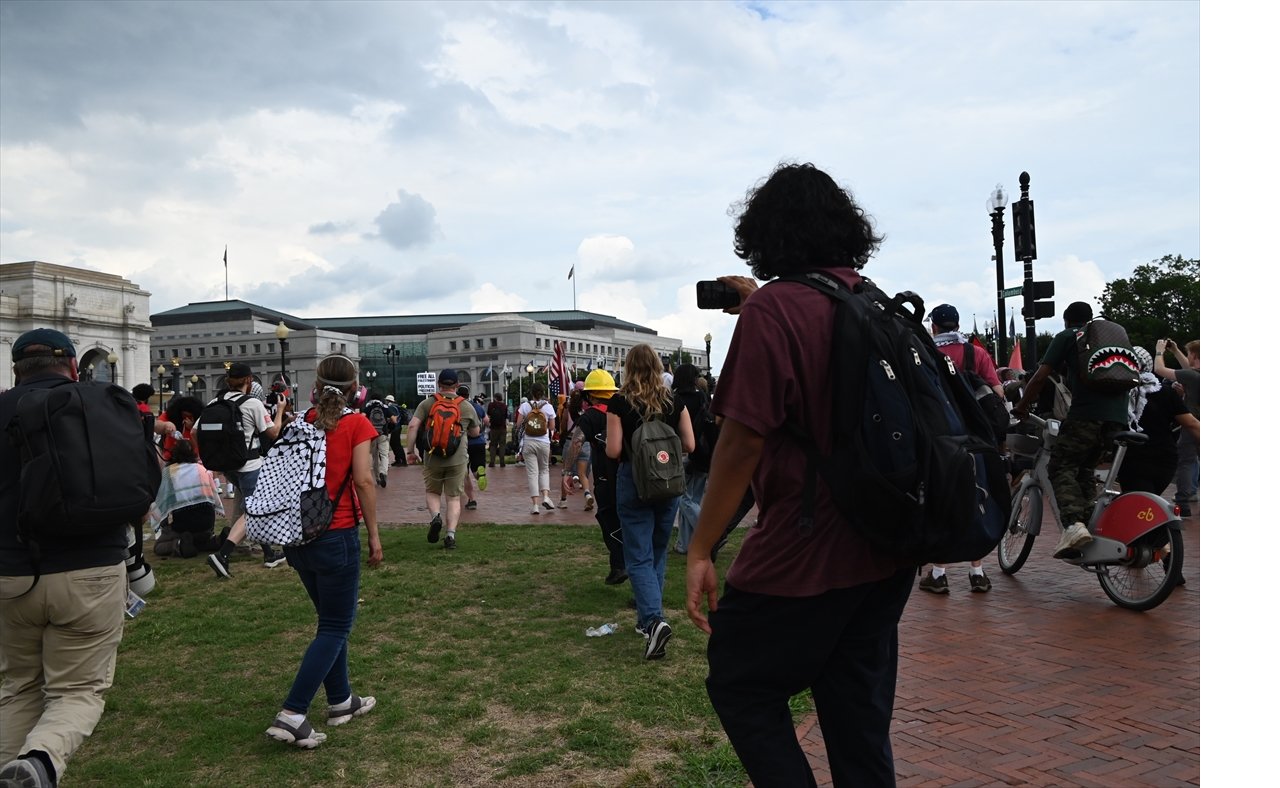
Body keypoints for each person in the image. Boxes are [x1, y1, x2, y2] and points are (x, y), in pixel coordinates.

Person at [684, 163, 915, 786]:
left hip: (806, 549)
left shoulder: (778, 311)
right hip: (886, 546)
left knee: (740, 681)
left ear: (765, 235)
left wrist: (702, 546)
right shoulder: (870, 299)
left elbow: (740, 443)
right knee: (857, 717)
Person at [0, 330, 130, 787]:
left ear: (16, 370)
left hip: (10, 571)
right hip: (92, 565)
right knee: (77, 690)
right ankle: (40, 761)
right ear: (75, 367)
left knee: (17, 688)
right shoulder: (102, 405)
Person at [265, 354, 383, 748]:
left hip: (298, 535)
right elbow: (364, 480)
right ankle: (293, 712)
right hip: (337, 533)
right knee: (335, 626)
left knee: (330, 622)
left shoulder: (301, 422)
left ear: (315, 384)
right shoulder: (356, 423)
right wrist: (375, 535)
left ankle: (341, 700)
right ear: (356, 387)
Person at [1012, 301, 1129, 559]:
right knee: (1084, 469)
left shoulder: (1068, 336)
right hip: (1119, 419)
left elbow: (1041, 376)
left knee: (1060, 466)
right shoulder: (1110, 339)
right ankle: (1092, 525)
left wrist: (1021, 406)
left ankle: (1074, 526)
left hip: (1086, 415)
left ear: (1066, 320)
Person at [606, 343, 694, 660]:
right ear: (658, 367)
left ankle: (654, 621)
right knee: (657, 551)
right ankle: (648, 621)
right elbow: (690, 444)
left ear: (629, 368)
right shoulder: (674, 401)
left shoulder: (620, 403)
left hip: (634, 482)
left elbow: (614, 451)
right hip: (668, 482)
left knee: (637, 556)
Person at [917, 304, 1002, 594]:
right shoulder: (974, 352)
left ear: (935, 327)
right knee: (977, 497)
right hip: (976, 438)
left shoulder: (926, 352)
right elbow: (997, 391)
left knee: (943, 501)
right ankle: (977, 572)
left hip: (941, 438)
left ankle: (939, 573)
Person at [195, 362, 288, 576]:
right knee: (255, 510)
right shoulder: (253, 403)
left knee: (251, 507)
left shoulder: (214, 402)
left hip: (228, 467)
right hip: (249, 465)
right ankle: (223, 555)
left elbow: (194, 431)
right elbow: (272, 432)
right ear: (248, 380)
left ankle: (269, 554)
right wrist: (281, 410)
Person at [405, 370, 481, 550]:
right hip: (457, 459)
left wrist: (410, 451)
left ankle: (435, 517)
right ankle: (450, 535)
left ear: (439, 384)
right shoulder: (466, 406)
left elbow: (413, 425)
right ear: (456, 385)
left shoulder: (428, 403)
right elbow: (475, 432)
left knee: (432, 491)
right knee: (454, 497)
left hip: (432, 456)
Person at [563, 370, 627, 584]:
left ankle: (620, 564)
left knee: (609, 520)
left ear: (590, 395)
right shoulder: (626, 409)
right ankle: (620, 565)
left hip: (605, 479)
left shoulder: (590, 416)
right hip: (630, 476)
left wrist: (567, 472)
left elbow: (576, 443)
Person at [1154, 338, 1199, 516]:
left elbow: (1159, 370)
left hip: (1193, 422)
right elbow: (1189, 368)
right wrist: (1176, 350)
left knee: (1186, 462)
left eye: (1189, 354)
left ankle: (1183, 503)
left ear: (1194, 355)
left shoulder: (1192, 376)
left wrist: (1159, 352)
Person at [671, 364, 711, 555]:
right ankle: (684, 544)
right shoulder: (702, 397)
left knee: (684, 500)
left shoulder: (675, 399)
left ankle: (711, 534)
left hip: (684, 452)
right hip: (704, 453)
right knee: (692, 499)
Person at [515, 384, 557, 515]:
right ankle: (546, 496)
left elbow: (517, 424)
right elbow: (551, 427)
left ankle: (535, 505)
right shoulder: (548, 407)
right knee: (544, 469)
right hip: (544, 442)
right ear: (543, 393)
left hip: (529, 442)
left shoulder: (525, 406)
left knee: (532, 473)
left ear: (531, 393)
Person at [456, 385, 488, 510]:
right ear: (469, 394)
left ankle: (472, 499)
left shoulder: (458, 407)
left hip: (463, 443)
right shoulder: (476, 406)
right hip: (479, 442)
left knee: (464, 473)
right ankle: (480, 475)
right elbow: (486, 421)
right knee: (476, 468)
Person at [362, 394, 392, 488]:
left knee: (375, 457)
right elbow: (394, 420)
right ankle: (384, 472)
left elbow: (362, 418)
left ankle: (378, 478)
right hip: (383, 434)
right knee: (384, 455)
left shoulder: (368, 407)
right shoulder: (385, 407)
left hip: (372, 435)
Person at [486, 394, 509, 468]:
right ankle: (502, 462)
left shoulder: (491, 405)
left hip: (493, 428)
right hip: (502, 428)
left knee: (493, 445)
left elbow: (488, 414)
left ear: (495, 398)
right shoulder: (504, 406)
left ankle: (492, 462)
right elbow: (506, 416)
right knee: (502, 445)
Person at [387, 396, 407, 467]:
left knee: (396, 444)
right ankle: (398, 460)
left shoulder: (391, 407)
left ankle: (402, 461)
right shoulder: (395, 406)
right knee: (394, 443)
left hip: (396, 427)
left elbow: (393, 418)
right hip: (397, 427)